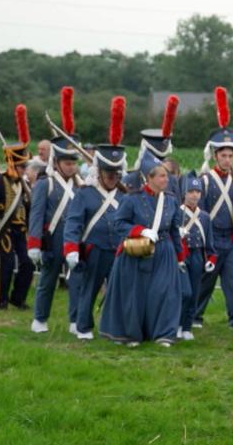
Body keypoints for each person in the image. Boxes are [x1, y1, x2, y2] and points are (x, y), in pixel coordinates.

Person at [99, 152, 183, 347]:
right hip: (137, 252)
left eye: (167, 175)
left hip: (164, 252)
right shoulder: (132, 199)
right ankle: (131, 334)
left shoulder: (171, 200)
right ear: (149, 178)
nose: (166, 179)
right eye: (161, 175)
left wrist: (180, 256)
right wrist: (140, 231)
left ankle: (164, 333)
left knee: (164, 292)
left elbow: (174, 230)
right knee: (135, 294)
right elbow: (119, 224)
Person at [63, 97, 128, 340]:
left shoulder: (124, 195)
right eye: (108, 172)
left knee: (118, 291)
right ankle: (83, 326)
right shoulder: (85, 193)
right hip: (94, 249)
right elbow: (73, 222)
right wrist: (71, 248)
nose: (113, 176)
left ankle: (113, 327)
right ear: (99, 171)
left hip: (119, 249)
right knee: (88, 290)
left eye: (116, 172)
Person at [28, 87, 83, 334]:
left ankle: (75, 321)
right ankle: (39, 319)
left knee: (77, 283)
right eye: (68, 163)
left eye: (74, 163)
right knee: (48, 282)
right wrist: (34, 244)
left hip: (74, 240)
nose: (72, 167)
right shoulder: (45, 183)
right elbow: (37, 215)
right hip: (52, 239)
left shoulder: (81, 186)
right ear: (58, 162)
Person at [195, 87, 233, 329]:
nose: (227, 159)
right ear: (215, 156)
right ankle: (195, 316)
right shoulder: (205, 180)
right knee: (206, 279)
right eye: (223, 155)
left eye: (230, 156)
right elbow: (201, 214)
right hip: (212, 239)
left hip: (230, 238)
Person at [0, 105, 35, 311]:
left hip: (21, 231)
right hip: (5, 229)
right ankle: (1, 301)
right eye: (22, 167)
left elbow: (27, 208)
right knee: (7, 265)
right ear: (13, 164)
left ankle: (17, 298)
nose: (24, 170)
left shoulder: (22, 185)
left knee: (28, 265)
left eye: (25, 167)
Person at [178, 176, 216, 341]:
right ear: (184, 193)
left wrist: (211, 260)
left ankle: (187, 327)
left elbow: (210, 244)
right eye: (191, 191)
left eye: (197, 192)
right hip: (182, 256)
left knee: (194, 293)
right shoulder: (177, 213)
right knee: (183, 293)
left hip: (197, 257)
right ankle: (177, 324)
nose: (194, 195)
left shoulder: (205, 217)